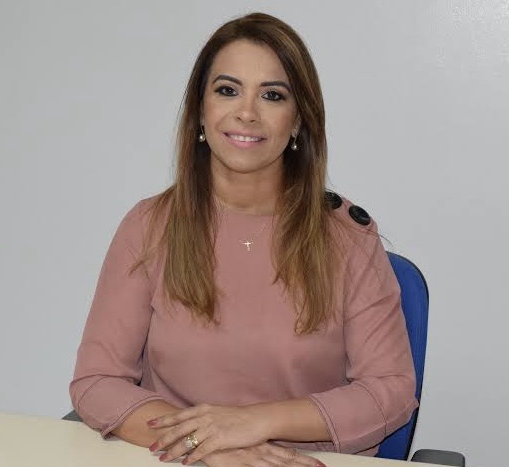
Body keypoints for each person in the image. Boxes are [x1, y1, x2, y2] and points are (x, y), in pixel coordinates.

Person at [70, 12, 418, 467]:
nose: (247, 112)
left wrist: (251, 423)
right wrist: (206, 445)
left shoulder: (348, 239)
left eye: (272, 95)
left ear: (298, 121)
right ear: (200, 110)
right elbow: (97, 382)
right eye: (227, 90)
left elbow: (390, 391)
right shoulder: (148, 227)